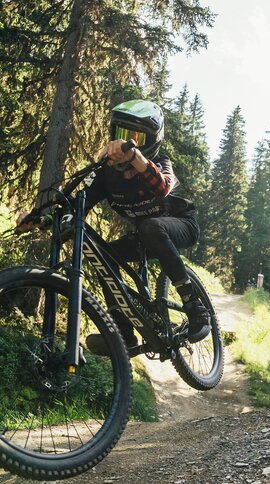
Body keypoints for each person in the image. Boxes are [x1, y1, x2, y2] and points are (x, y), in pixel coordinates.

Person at [21, 99, 210, 351]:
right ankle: (121, 331)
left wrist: (135, 156)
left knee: (151, 227)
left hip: (181, 226)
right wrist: (40, 220)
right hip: (145, 237)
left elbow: (163, 186)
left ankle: (196, 309)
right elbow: (76, 206)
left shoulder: (162, 162)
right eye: (121, 135)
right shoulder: (107, 176)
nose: (125, 143)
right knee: (104, 254)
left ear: (152, 141)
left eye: (136, 138)